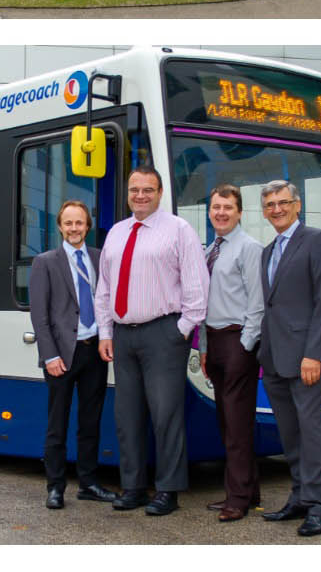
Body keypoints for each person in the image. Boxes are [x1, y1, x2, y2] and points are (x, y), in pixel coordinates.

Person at [92, 164, 208, 516]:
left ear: (160, 193)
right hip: (123, 336)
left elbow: (197, 287)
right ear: (128, 193)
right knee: (127, 416)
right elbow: (104, 289)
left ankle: (168, 490)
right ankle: (133, 487)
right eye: (134, 190)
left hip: (163, 333)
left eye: (147, 190)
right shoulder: (116, 232)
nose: (140, 195)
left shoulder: (178, 230)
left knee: (165, 415)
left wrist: (181, 330)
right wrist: (106, 332)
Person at [257, 180, 321, 537]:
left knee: (312, 432)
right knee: (289, 433)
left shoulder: (317, 240)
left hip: (306, 358)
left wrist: (314, 354)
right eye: (270, 205)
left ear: (297, 205)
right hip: (275, 358)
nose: (277, 209)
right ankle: (300, 498)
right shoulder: (267, 251)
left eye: (282, 202)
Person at [29, 200, 121, 509]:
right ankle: (55, 487)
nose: (73, 229)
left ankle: (89, 483)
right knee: (57, 423)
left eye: (79, 223)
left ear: (87, 226)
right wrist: (50, 355)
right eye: (68, 223)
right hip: (62, 356)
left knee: (90, 422)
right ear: (59, 227)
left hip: (94, 350)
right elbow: (40, 316)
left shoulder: (99, 257)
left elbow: (106, 302)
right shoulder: (45, 262)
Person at [200, 185, 266, 522]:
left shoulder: (249, 248)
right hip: (215, 342)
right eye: (215, 207)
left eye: (227, 207)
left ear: (239, 212)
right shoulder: (211, 249)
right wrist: (205, 348)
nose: (221, 213)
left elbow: (257, 303)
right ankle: (247, 490)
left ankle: (237, 499)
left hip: (239, 341)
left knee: (238, 425)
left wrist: (245, 345)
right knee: (228, 422)